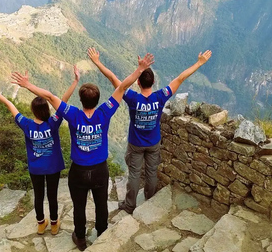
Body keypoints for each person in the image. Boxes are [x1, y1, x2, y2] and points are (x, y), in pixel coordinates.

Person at [11, 53, 154, 251]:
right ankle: (102, 232)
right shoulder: (105, 111)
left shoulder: (73, 114)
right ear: (97, 100)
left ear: (80, 99)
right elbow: (122, 87)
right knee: (101, 204)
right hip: (99, 170)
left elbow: (50, 97)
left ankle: (80, 237)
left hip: (78, 171)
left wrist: (27, 85)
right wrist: (139, 69)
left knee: (79, 206)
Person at [88, 47, 212, 214]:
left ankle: (130, 205)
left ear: (138, 82)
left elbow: (112, 78)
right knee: (152, 173)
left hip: (136, 144)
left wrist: (97, 62)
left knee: (134, 174)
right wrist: (200, 62)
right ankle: (150, 200)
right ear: (153, 83)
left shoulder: (132, 97)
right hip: (154, 142)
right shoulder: (160, 97)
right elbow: (181, 77)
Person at [0, 65, 80, 235]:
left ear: (33, 110)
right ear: (47, 110)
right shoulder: (53, 122)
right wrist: (75, 81)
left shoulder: (26, 124)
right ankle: (54, 225)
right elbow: (62, 101)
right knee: (52, 196)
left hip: (36, 168)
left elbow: (8, 103)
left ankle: (41, 224)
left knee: (39, 196)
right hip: (53, 166)